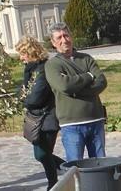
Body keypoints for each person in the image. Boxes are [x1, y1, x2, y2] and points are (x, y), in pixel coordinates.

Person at [44, 22, 108, 162]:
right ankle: (79, 186)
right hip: (71, 124)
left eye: (66, 35)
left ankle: (98, 185)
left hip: (95, 119)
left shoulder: (86, 59)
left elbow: (102, 82)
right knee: (75, 166)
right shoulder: (52, 65)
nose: (64, 40)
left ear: (71, 37)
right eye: (59, 37)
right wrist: (88, 76)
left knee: (100, 164)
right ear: (53, 43)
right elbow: (65, 86)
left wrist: (76, 91)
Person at [17, 36, 65, 189]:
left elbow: (35, 98)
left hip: (48, 118)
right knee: (43, 154)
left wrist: (23, 98)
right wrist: (23, 95)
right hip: (39, 118)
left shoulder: (42, 69)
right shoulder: (31, 69)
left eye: (22, 53)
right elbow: (24, 90)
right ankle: (67, 170)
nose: (20, 57)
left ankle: (54, 183)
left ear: (30, 52)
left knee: (42, 154)